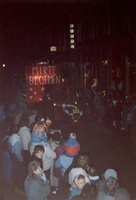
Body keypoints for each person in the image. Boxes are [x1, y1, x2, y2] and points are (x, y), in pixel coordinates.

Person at [8, 125, 24, 192]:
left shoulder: (11, 137)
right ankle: (19, 186)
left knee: (14, 170)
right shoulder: (17, 140)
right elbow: (18, 152)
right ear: (18, 131)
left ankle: (15, 184)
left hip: (12, 156)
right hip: (17, 158)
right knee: (19, 172)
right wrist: (21, 160)